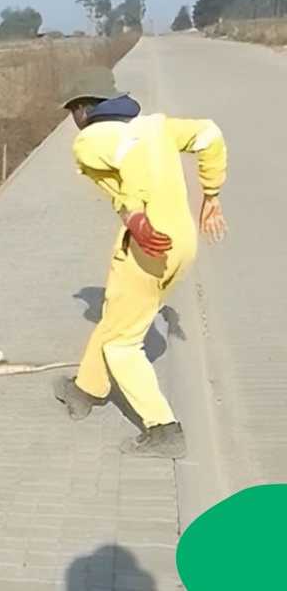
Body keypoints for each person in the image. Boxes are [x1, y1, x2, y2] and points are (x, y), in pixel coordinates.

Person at [54, 65, 228, 459]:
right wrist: (212, 193)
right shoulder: (156, 126)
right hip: (181, 241)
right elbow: (210, 134)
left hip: (146, 242)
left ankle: (163, 429)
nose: (73, 121)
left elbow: (128, 156)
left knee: (121, 343)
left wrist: (133, 212)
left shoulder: (91, 139)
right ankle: (85, 390)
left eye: (72, 112)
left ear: (83, 108)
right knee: (118, 312)